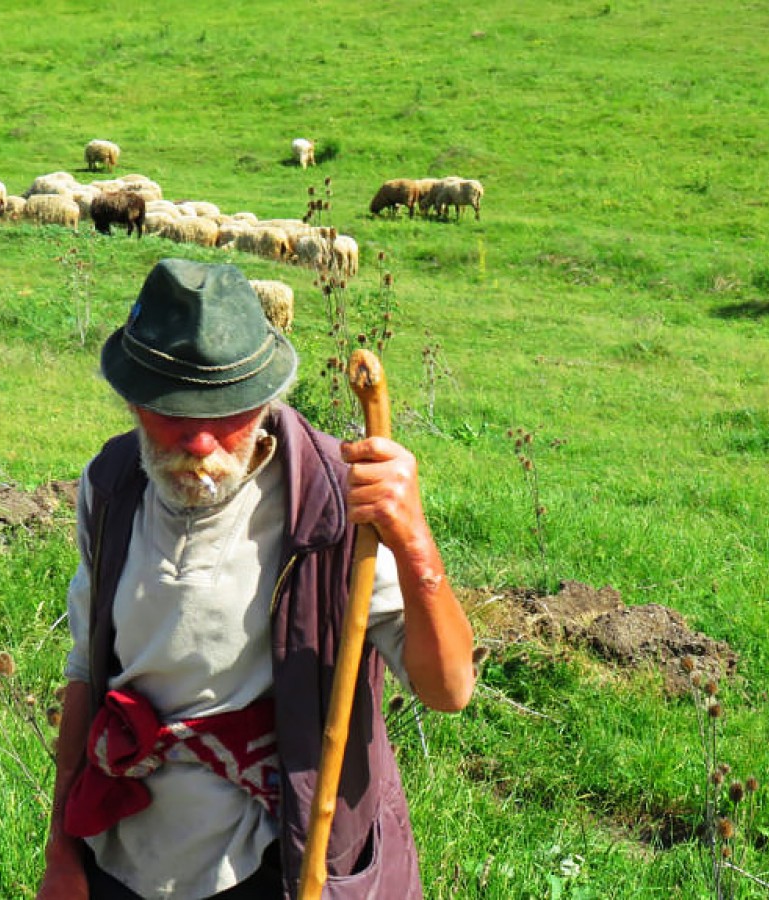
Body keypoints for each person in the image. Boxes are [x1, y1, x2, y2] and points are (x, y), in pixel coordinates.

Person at [37, 258, 476, 900]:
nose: (201, 442)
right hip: (121, 849)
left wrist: (414, 541)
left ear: (266, 400)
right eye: (173, 412)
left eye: (226, 412)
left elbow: (449, 689)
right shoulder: (112, 487)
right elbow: (86, 672)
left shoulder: (332, 503)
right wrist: (62, 853)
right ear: (133, 400)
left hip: (277, 862)